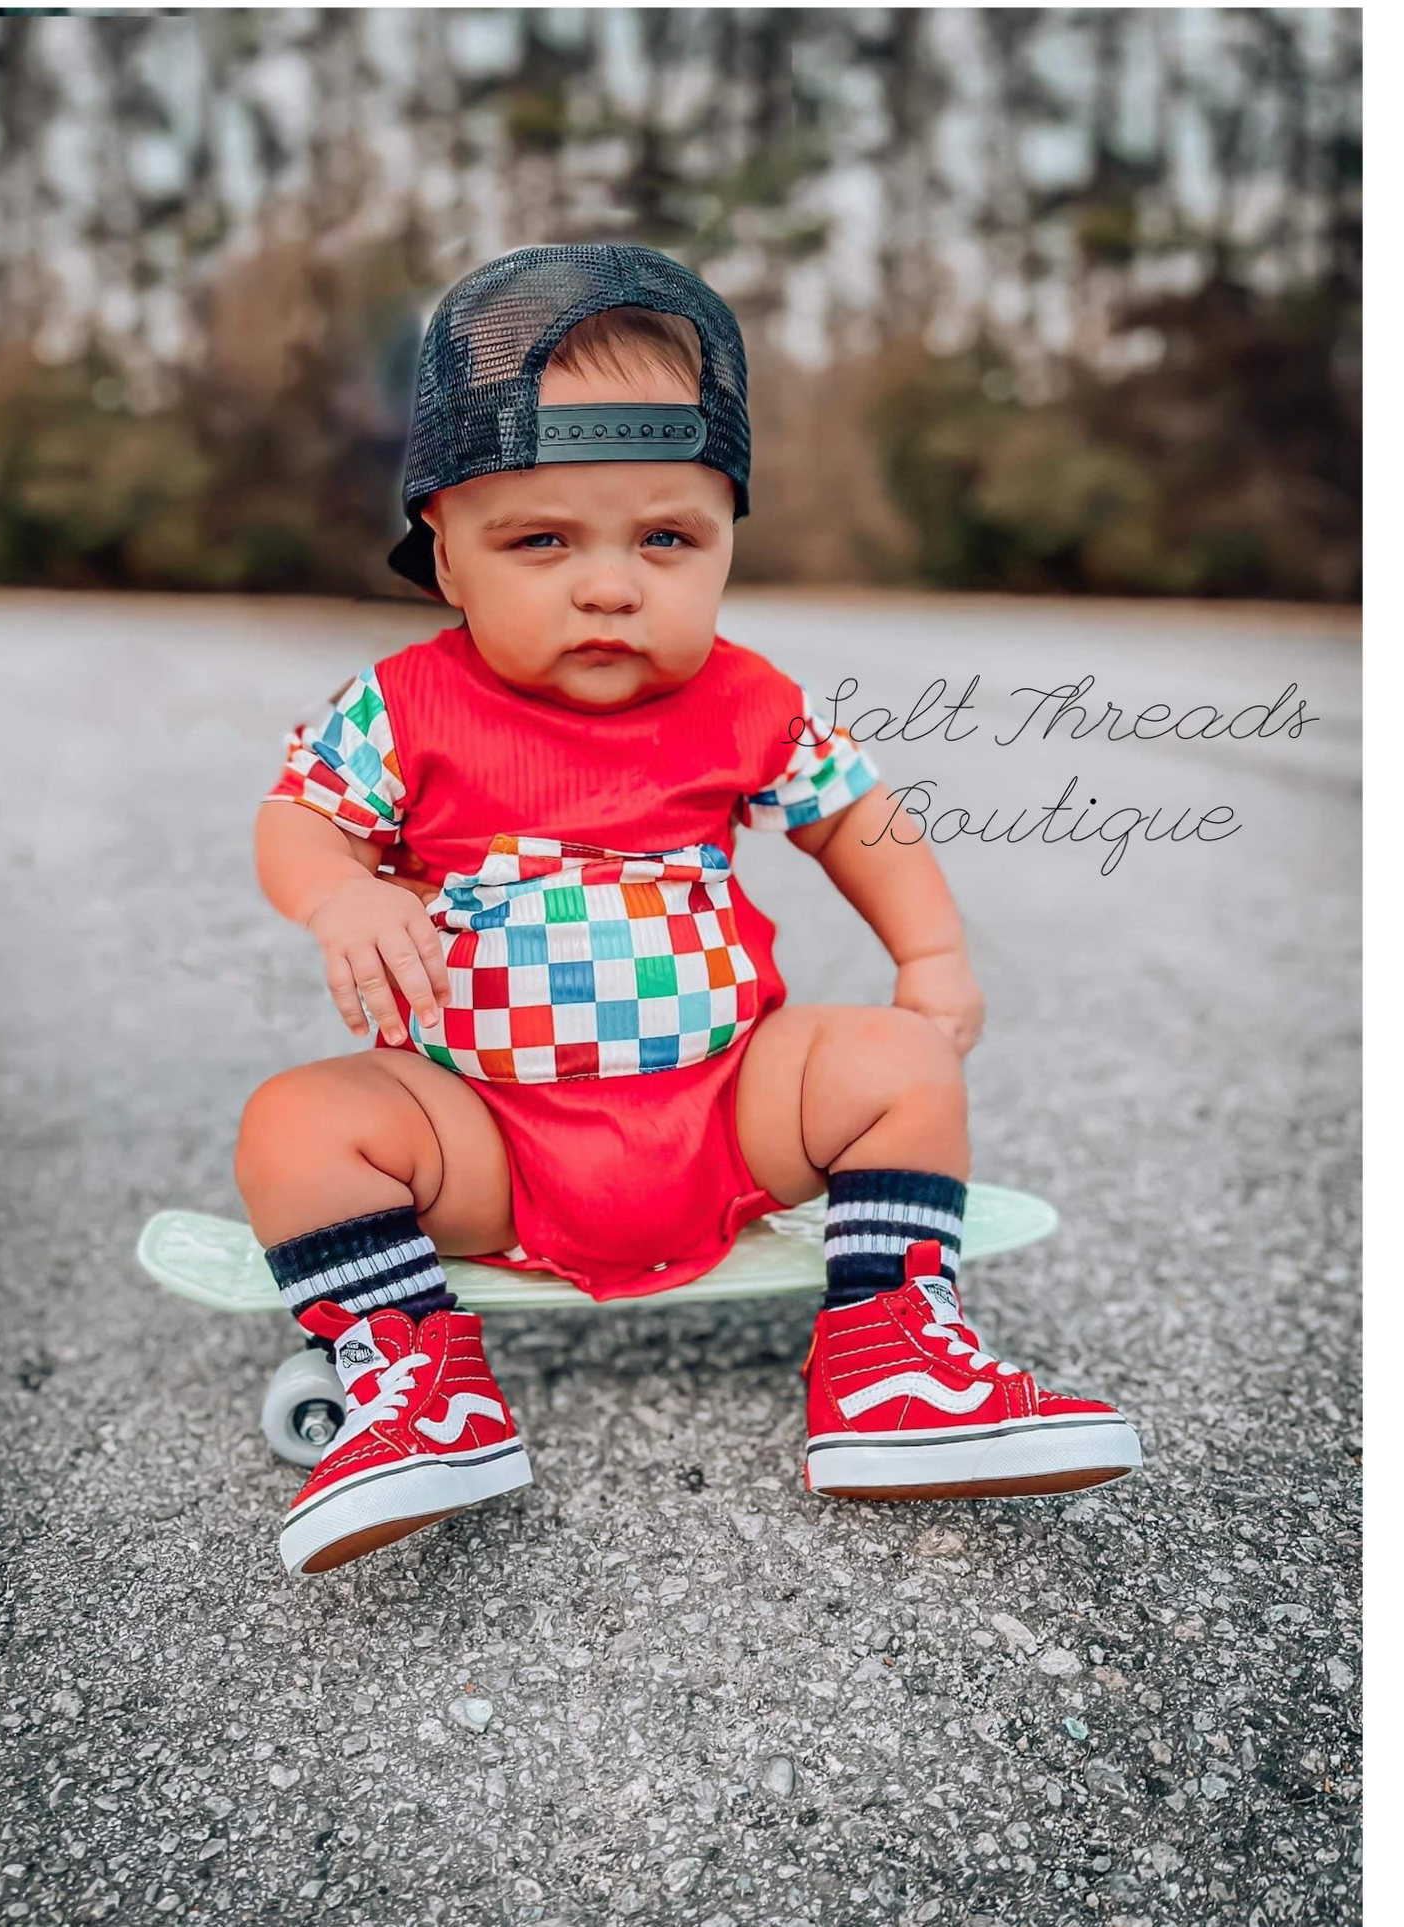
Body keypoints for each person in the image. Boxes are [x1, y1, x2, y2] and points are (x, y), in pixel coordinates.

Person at [233, 244, 1141, 1579]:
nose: (611, 585)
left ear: (726, 542)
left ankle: (890, 1362)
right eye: (541, 540)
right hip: (485, 1141)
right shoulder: (405, 706)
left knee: (897, 1059)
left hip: (727, 1116)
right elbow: (298, 817)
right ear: (446, 559)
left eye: (667, 538)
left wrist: (933, 952)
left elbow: (858, 815)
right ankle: (418, 1384)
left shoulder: (746, 698)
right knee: (298, 1123)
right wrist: (336, 895)